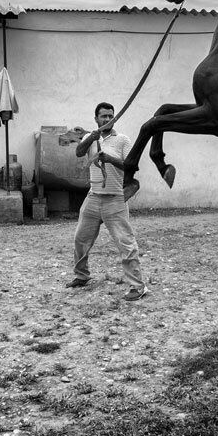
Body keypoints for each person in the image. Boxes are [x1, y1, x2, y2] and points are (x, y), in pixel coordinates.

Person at [67, 102, 148, 300]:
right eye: (103, 116)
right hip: (93, 197)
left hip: (115, 199)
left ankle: (138, 287)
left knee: (125, 243)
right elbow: (78, 152)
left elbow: (132, 167)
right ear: (96, 119)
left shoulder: (122, 140)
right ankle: (82, 276)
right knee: (81, 239)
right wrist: (91, 139)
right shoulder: (90, 138)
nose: (107, 119)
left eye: (110, 116)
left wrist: (110, 159)